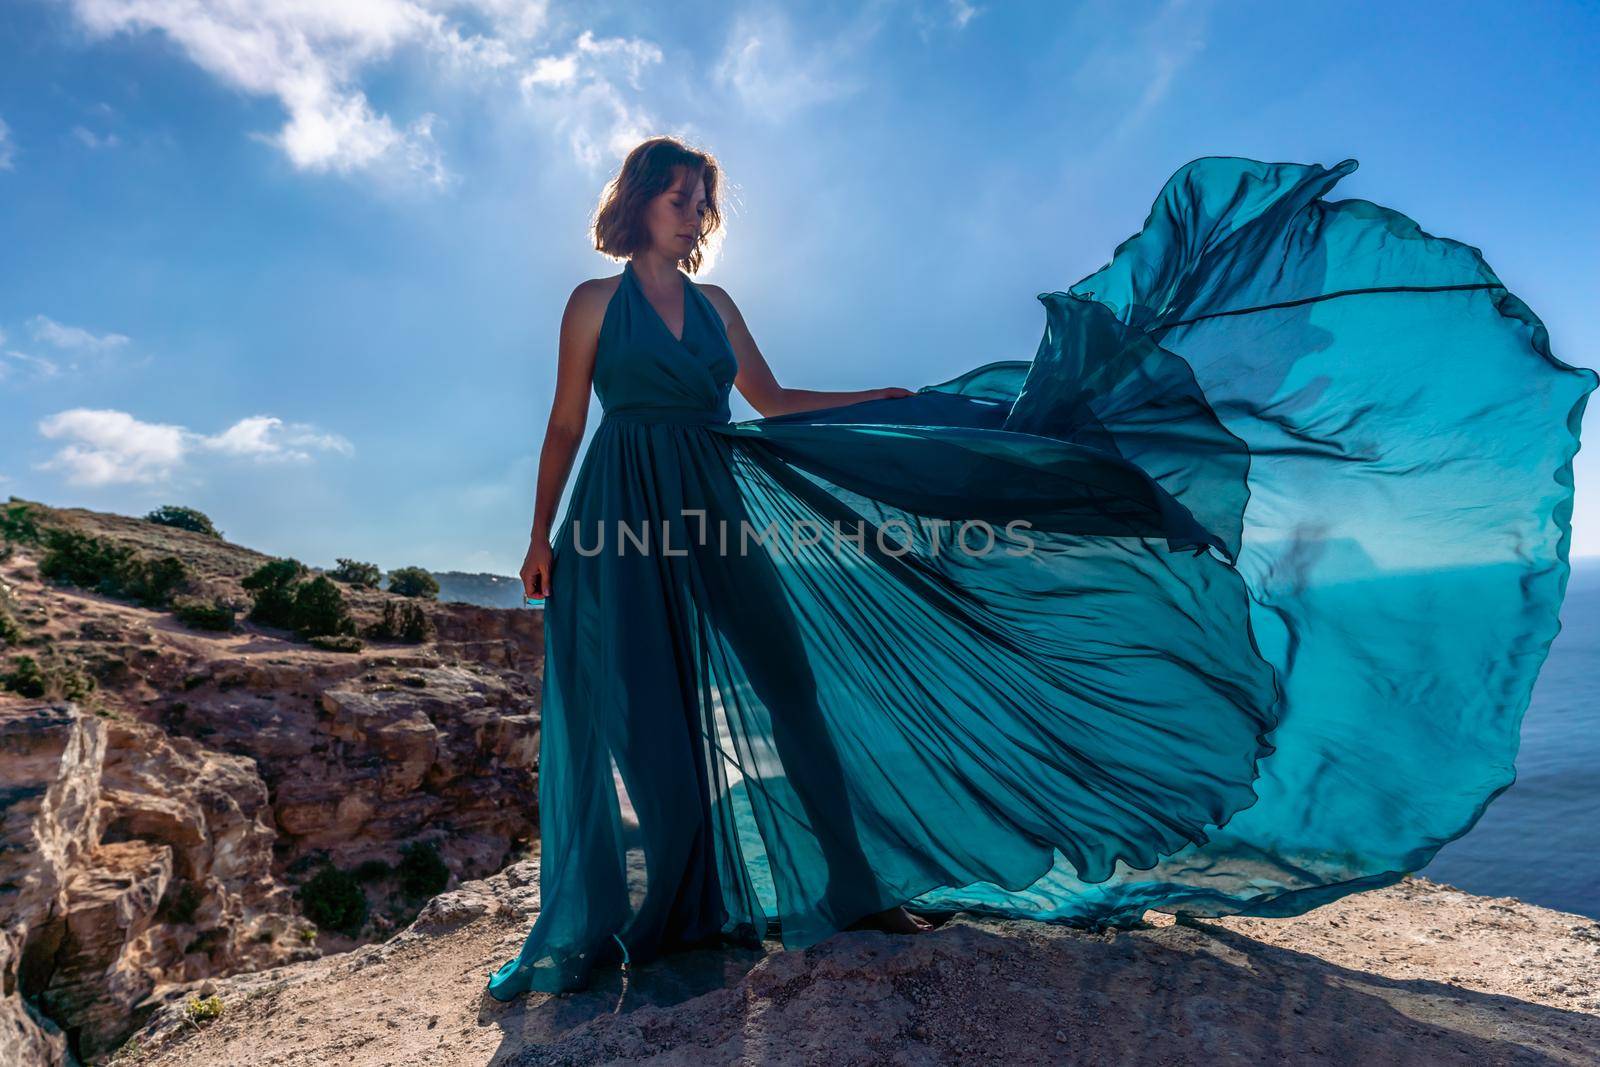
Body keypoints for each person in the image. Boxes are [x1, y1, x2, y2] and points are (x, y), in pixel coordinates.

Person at [487, 137, 1596, 1001]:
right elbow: (560, 426)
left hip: (721, 498)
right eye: (679, 193)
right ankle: (635, 918)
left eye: (701, 198)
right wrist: (539, 536)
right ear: (638, 199)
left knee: (789, 689)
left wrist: (878, 402)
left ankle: (858, 891)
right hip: (620, 516)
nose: (694, 211)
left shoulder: (719, 304)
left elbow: (771, 405)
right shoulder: (593, 303)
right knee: (641, 718)